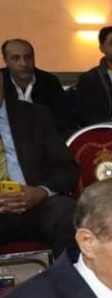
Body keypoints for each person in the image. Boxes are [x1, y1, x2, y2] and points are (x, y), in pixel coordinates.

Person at [0, 78, 77, 255]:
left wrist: (41, 192)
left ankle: (66, 273)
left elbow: (67, 169)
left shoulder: (35, 115)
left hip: (36, 203)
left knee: (70, 213)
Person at [1, 38, 76, 136]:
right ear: (6, 60)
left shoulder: (49, 81)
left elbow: (64, 119)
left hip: (44, 138)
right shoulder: (1, 82)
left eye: (28, 57)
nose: (23, 63)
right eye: (16, 58)